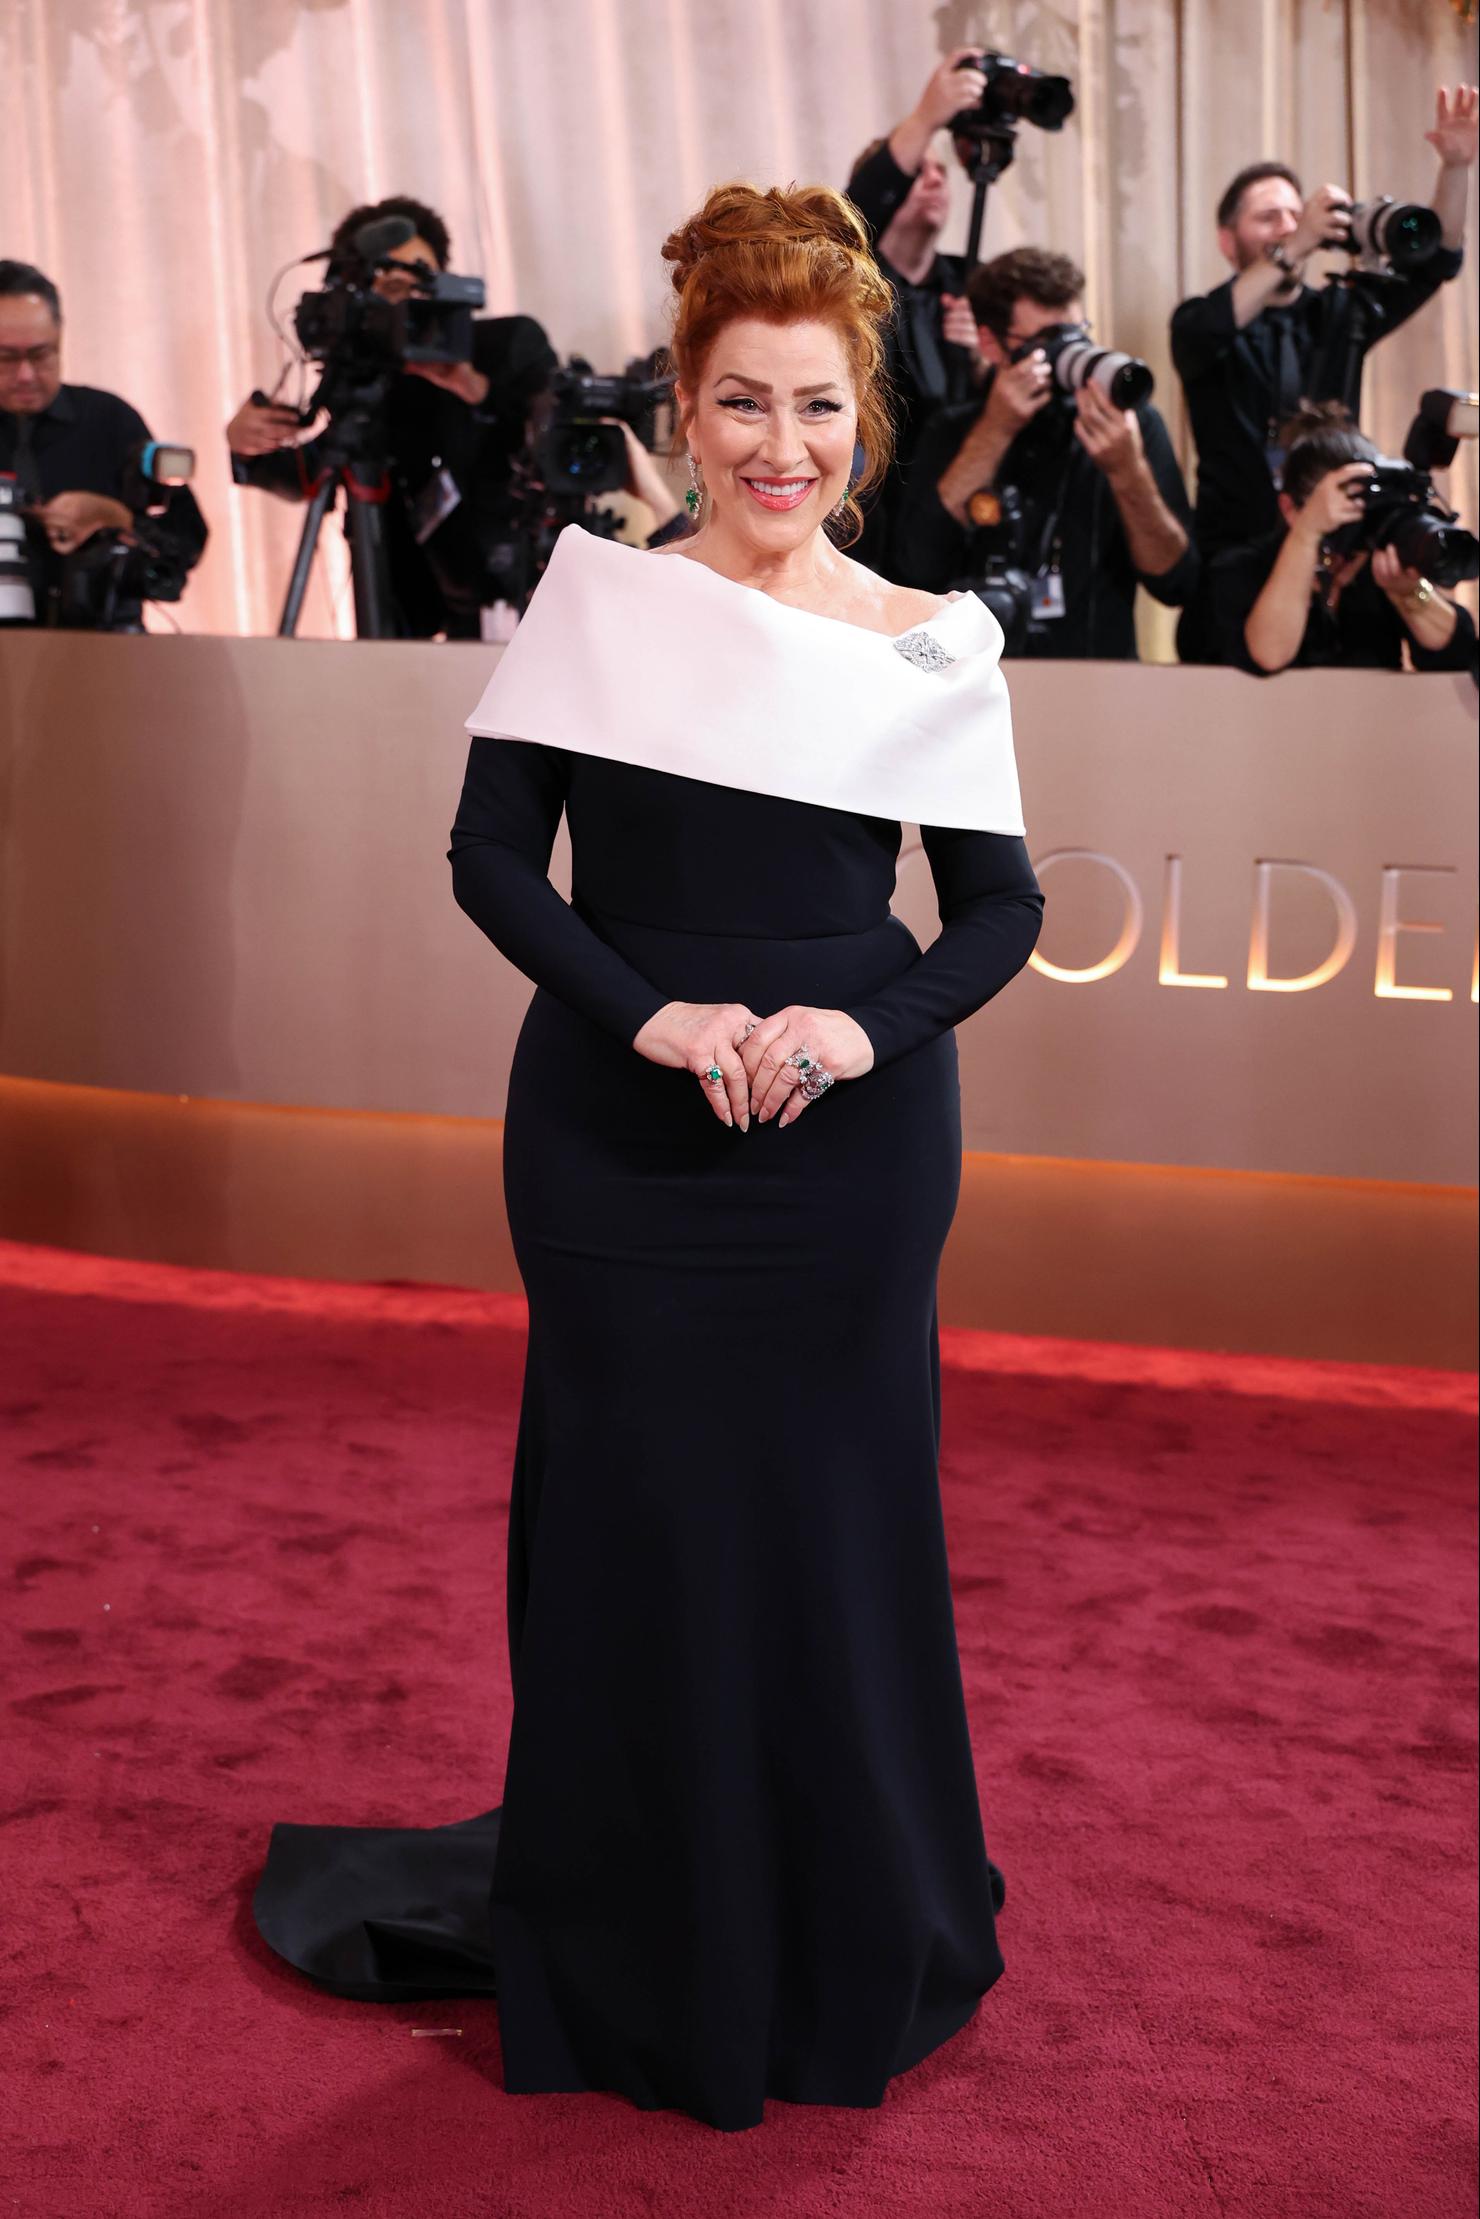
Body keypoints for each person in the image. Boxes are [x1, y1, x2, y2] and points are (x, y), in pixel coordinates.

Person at [251, 181, 1044, 2133]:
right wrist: (651, 1016)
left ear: (864, 416)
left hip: (850, 1157)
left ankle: (837, 1909)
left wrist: (865, 1026)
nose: (783, 449)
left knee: (831, 1531)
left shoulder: (933, 640)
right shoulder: (603, 595)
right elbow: (490, 860)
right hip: (612, 1141)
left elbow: (995, 912)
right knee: (631, 1527)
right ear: (682, 409)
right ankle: (632, 1924)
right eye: (743, 405)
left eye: (819, 409)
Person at [1172, 84, 1477, 659]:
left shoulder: (1339, 311)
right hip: (1236, 570)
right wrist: (1302, 239)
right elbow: (1201, 334)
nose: (1289, 226)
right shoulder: (1204, 322)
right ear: (1227, 239)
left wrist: (1457, 168)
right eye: (1269, 218)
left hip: (1340, 560)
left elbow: (1437, 262)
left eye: (1296, 213)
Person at [227, 195, 555, 636]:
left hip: (527, 600)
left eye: (420, 273)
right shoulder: (370, 382)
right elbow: (313, 469)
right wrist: (246, 446)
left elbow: (554, 445)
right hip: (412, 623)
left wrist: (473, 387)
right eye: (387, 279)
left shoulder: (507, 344)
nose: (408, 291)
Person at [892, 247, 1196, 656]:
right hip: (980, 680)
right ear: (991, 343)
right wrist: (995, 431)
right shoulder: (953, 430)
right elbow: (915, 569)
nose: (1067, 353)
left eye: (1077, 333)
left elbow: (1175, 581)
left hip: (1098, 681)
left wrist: (1128, 472)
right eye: (1047, 342)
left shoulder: (1130, 427)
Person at [843, 47, 994, 576]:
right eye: (917, 171)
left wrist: (982, 361)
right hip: (867, 525)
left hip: (953, 528)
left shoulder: (976, 285)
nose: (934, 181)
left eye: (941, 173)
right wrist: (929, 118)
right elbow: (852, 210)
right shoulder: (844, 282)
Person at [0, 259, 206, 628]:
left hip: (105, 653)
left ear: (61, 338)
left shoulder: (110, 420)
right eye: (6, 358)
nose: (26, 375)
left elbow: (186, 543)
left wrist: (116, 518)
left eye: (41, 354)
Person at [1208, 401, 1476, 676]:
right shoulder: (1242, 569)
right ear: (1290, 509)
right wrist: (1307, 535)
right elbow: (1269, 654)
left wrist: (1408, 593)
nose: (1349, 525)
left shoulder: (1378, 565)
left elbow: (1459, 658)